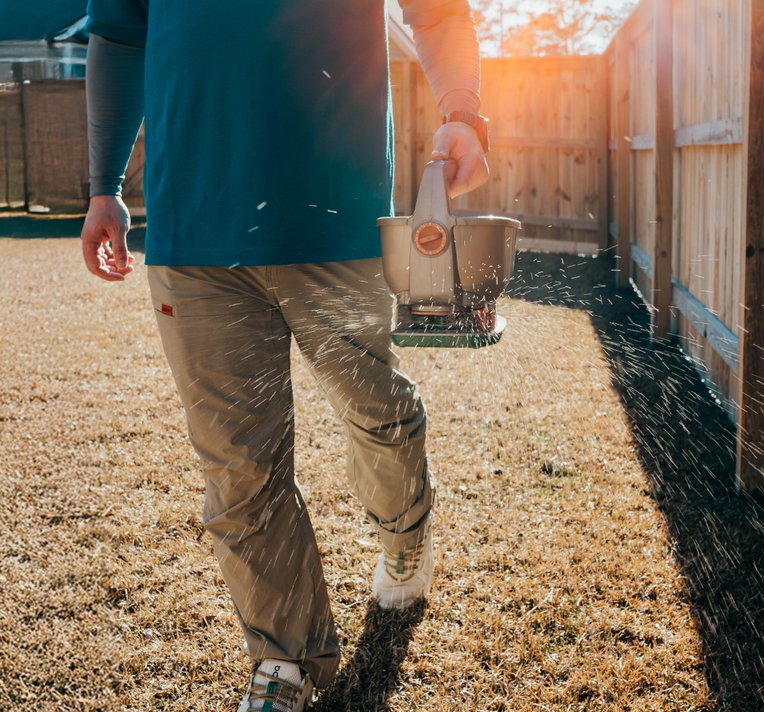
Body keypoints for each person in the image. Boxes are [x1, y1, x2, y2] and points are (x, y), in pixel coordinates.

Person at [80, 1, 489, 709]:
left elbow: (438, 11)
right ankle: (286, 661)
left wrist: (463, 111)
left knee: (376, 410)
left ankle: (405, 526)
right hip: (194, 230)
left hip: (338, 216)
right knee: (238, 465)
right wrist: (102, 186)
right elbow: (118, 35)